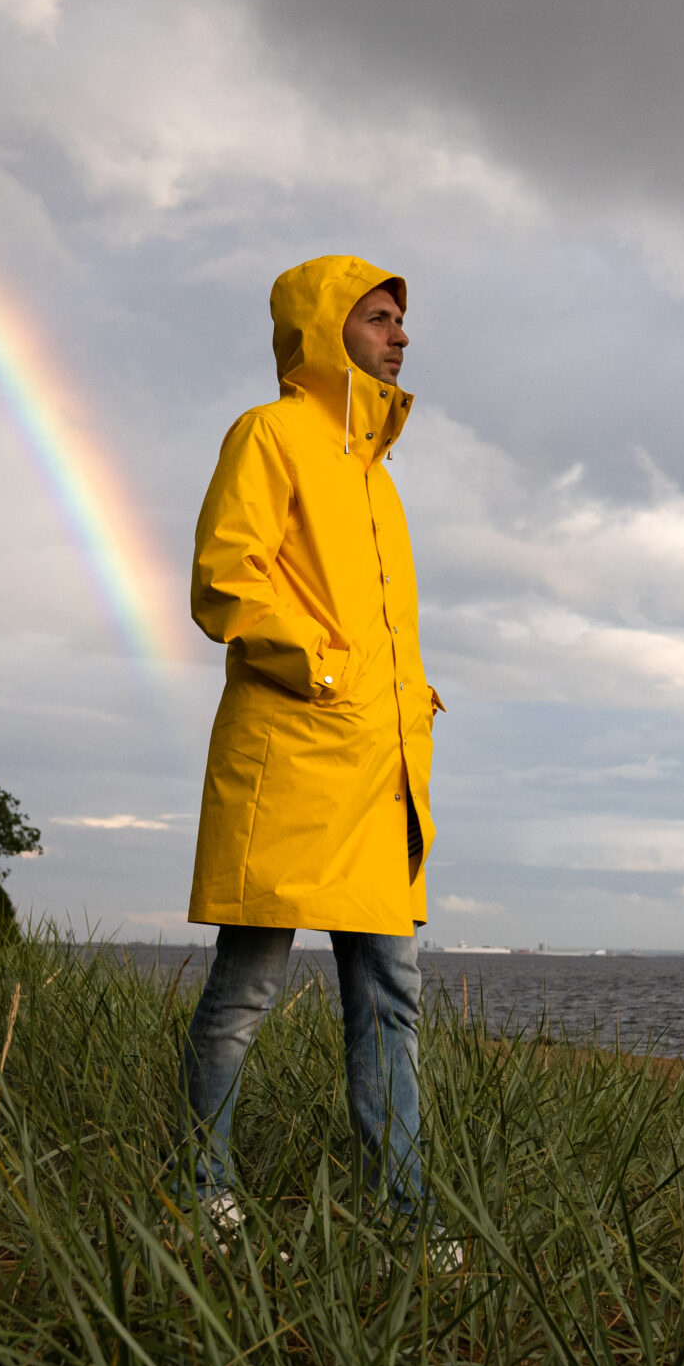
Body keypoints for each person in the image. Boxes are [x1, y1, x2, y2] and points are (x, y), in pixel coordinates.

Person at [174, 254, 446, 1245]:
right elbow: (226, 584)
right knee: (245, 988)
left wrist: (402, 703)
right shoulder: (268, 433)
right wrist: (326, 675)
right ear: (326, 324)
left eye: (399, 321)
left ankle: (404, 1217)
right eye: (378, 318)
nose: (400, 335)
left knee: (392, 997)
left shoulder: (379, 480)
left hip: (381, 777)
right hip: (292, 759)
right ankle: (200, 1192)